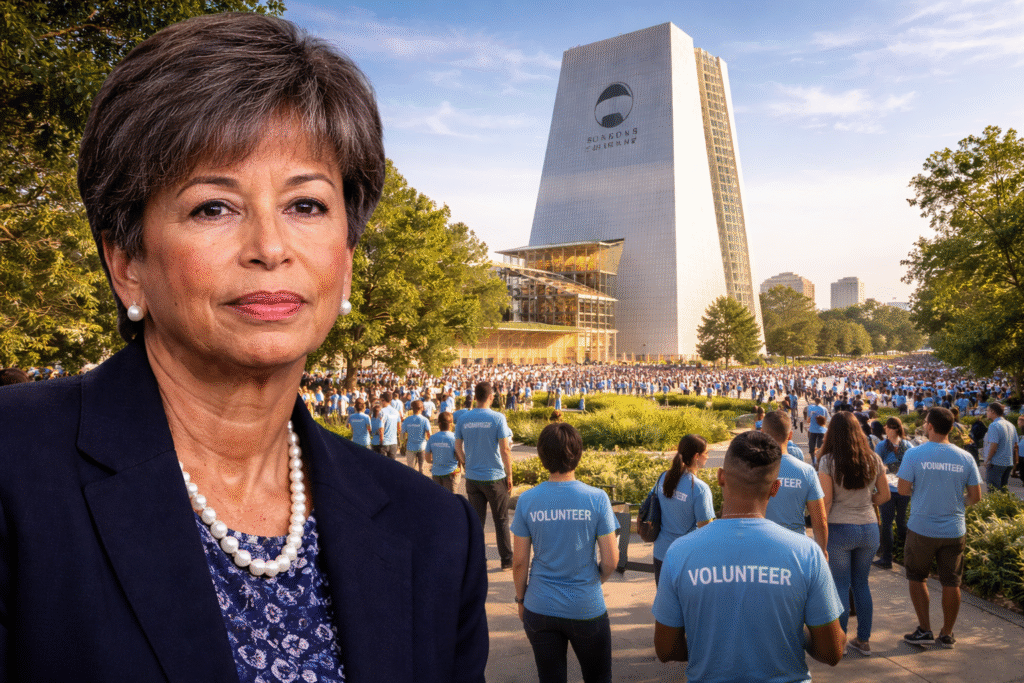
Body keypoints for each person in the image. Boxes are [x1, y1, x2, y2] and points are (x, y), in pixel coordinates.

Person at [0, 14, 487, 681]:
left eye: (307, 205)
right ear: (126, 263)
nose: (270, 247)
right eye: (213, 207)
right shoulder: (16, 469)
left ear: (346, 258)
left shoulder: (432, 532)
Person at [653, 431, 845, 681]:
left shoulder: (680, 553)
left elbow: (666, 649)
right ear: (775, 488)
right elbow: (832, 651)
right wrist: (796, 634)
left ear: (721, 477)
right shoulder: (806, 553)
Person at [512, 422, 619, 683]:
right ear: (578, 454)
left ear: (542, 456)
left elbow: (519, 562)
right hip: (586, 606)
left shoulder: (527, 500)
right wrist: (593, 581)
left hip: (540, 605)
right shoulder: (597, 498)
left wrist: (520, 599)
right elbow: (611, 560)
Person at [898, 407, 982, 649]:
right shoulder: (965, 457)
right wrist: (957, 503)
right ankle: (947, 633)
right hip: (954, 529)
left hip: (922, 527)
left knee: (916, 577)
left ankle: (925, 629)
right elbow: (975, 496)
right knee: (951, 581)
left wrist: (924, 496)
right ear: (952, 428)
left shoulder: (914, 454)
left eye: (926, 422)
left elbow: (903, 490)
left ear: (930, 427)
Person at [816, 411, 890, 656]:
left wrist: (820, 536)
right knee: (862, 584)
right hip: (869, 527)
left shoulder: (828, 461)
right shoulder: (873, 458)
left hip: (839, 527)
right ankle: (864, 640)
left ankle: (840, 641)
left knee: (839, 585)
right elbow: (885, 495)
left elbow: (825, 502)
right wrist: (866, 503)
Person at [456, 381, 515, 569]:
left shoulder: (463, 418)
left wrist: (466, 462)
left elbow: (457, 447)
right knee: (501, 521)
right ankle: (506, 560)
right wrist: (510, 475)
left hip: (473, 478)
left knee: (477, 522)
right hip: (495, 477)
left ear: (475, 397)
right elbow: (505, 449)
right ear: (491, 397)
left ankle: (478, 560)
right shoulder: (498, 418)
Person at [761, 411, 828, 559]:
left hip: (761, 546)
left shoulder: (751, 469)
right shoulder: (806, 471)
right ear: (790, 435)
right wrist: (821, 551)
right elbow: (819, 520)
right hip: (796, 549)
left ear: (762, 433)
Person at [650, 434, 715, 585]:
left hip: (660, 553)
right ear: (697, 456)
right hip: (686, 558)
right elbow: (706, 530)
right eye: (706, 453)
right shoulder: (699, 488)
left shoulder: (663, 477)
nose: (708, 457)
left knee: (665, 604)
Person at [874, 416, 911, 569]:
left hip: (887, 489)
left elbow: (877, 466)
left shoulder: (882, 446)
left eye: (888, 427)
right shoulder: (908, 445)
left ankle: (887, 558)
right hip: (904, 489)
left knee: (887, 523)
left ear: (893, 428)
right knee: (901, 523)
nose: (885, 429)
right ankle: (909, 555)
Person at [982, 401, 1017, 492]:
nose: (987, 413)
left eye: (987, 410)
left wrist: (987, 460)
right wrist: (1015, 462)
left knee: (993, 492)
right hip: (1008, 463)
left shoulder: (994, 425)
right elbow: (1015, 445)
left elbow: (994, 445)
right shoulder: (1011, 425)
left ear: (993, 412)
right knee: (1003, 492)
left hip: (996, 463)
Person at [427, 411, 462, 493]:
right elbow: (459, 456)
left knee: (439, 500)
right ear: (451, 424)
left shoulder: (432, 438)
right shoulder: (455, 438)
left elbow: (427, 459)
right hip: (451, 474)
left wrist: (435, 462)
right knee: (452, 500)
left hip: (436, 474)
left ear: (439, 423)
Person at [401, 399, 431, 474]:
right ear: (422, 408)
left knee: (411, 469)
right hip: (422, 446)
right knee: (421, 469)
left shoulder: (407, 420)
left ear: (412, 409)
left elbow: (402, 434)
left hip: (410, 447)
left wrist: (403, 444)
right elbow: (429, 434)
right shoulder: (425, 420)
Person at [806, 397, 828, 467]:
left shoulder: (810, 408)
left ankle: (813, 461)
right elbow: (825, 420)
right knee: (820, 447)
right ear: (821, 401)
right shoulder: (824, 409)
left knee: (811, 446)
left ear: (814, 401)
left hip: (812, 430)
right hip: (822, 430)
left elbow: (808, 420)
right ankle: (819, 462)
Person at [379, 390, 401, 460]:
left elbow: (381, 428)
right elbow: (399, 426)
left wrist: (381, 441)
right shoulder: (396, 412)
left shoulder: (382, 411)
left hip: (384, 442)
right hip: (394, 442)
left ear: (383, 400)